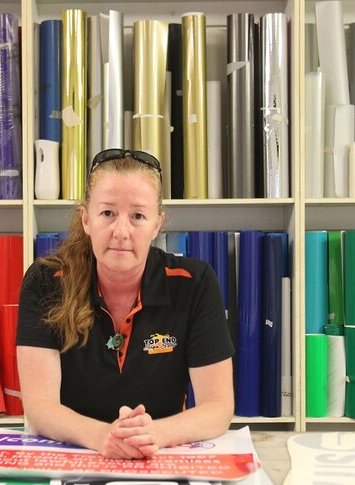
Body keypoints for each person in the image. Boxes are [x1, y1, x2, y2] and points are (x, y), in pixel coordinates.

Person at [17, 149, 234, 459]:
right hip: (74, 453)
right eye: (107, 213)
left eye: (137, 216)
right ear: (86, 218)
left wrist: (153, 435)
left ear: (157, 225)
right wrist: (103, 437)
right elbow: (39, 407)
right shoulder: (45, 281)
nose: (121, 232)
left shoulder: (194, 282)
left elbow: (218, 407)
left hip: (160, 455)